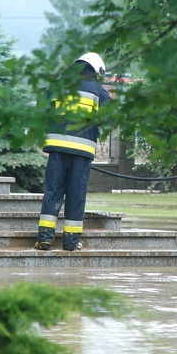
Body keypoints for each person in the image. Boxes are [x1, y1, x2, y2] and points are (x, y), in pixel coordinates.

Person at [35, 52, 112, 252]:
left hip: (57, 148)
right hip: (82, 151)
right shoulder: (97, 90)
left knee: (53, 192)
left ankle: (44, 239)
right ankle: (70, 242)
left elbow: (40, 107)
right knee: (76, 195)